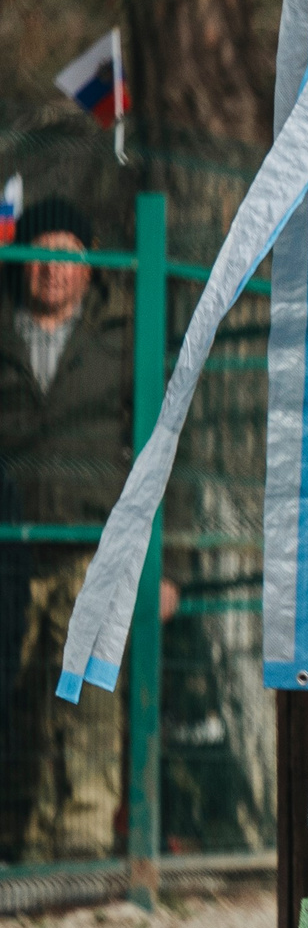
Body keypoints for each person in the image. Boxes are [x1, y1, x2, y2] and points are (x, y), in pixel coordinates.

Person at [0, 197, 133, 863]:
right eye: (40, 252)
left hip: (93, 548)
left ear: (90, 262)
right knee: (14, 699)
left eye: (67, 252)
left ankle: (82, 848)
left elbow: (165, 447)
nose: (52, 267)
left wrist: (169, 568)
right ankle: (20, 845)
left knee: (87, 702)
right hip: (10, 550)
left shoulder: (121, 336)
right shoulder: (3, 331)